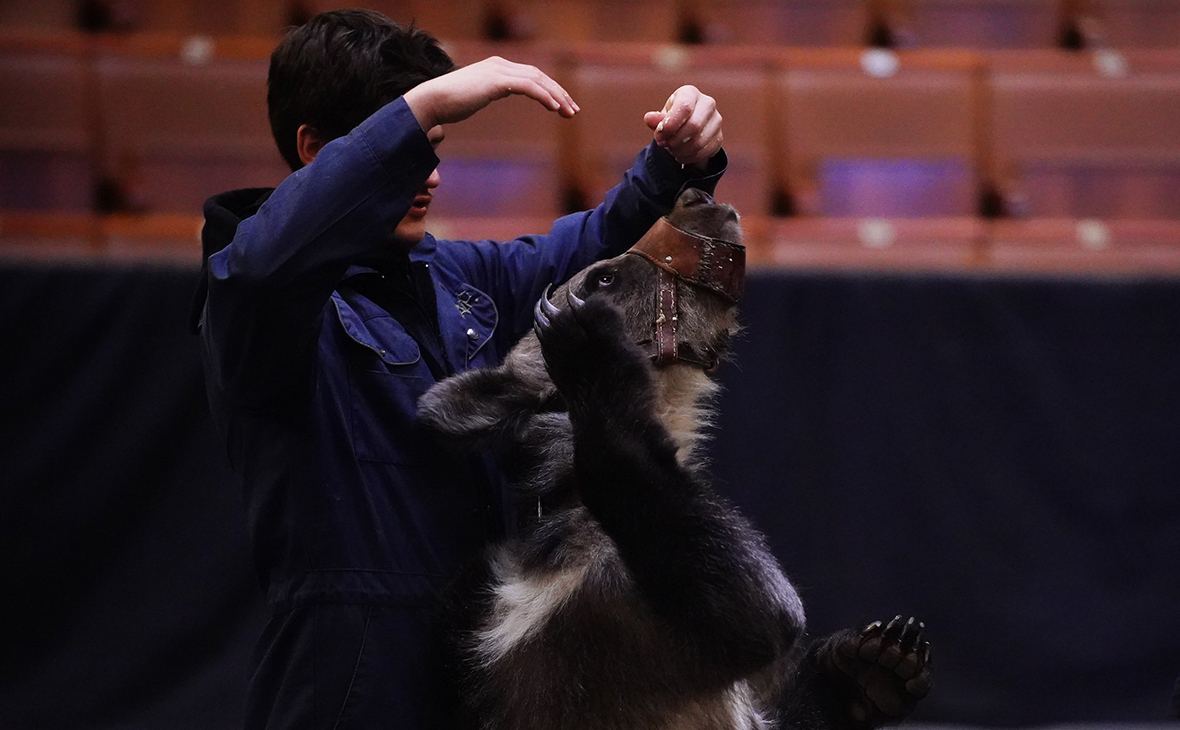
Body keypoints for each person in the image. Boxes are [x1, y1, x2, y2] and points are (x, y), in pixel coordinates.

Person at [192, 8, 727, 729]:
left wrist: (675, 162)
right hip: (350, 682)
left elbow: (597, 247)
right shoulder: (261, 306)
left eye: (435, 145)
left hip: (481, 673)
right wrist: (425, 104)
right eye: (411, 150)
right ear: (314, 150)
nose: (432, 176)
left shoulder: (459, 278)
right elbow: (260, 268)